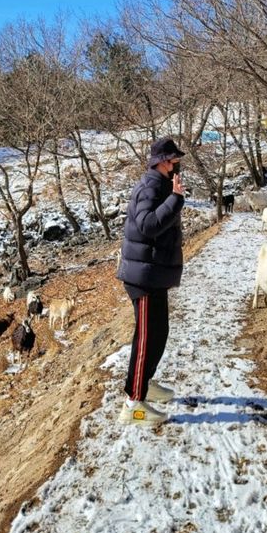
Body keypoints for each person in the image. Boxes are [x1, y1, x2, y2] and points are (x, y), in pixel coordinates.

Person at [116, 136, 186, 426]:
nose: (176, 166)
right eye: (173, 161)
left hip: (152, 274)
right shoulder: (150, 186)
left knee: (159, 333)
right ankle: (134, 405)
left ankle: (145, 383)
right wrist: (175, 199)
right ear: (162, 162)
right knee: (146, 338)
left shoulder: (159, 185)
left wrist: (172, 197)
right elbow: (147, 225)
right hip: (142, 278)